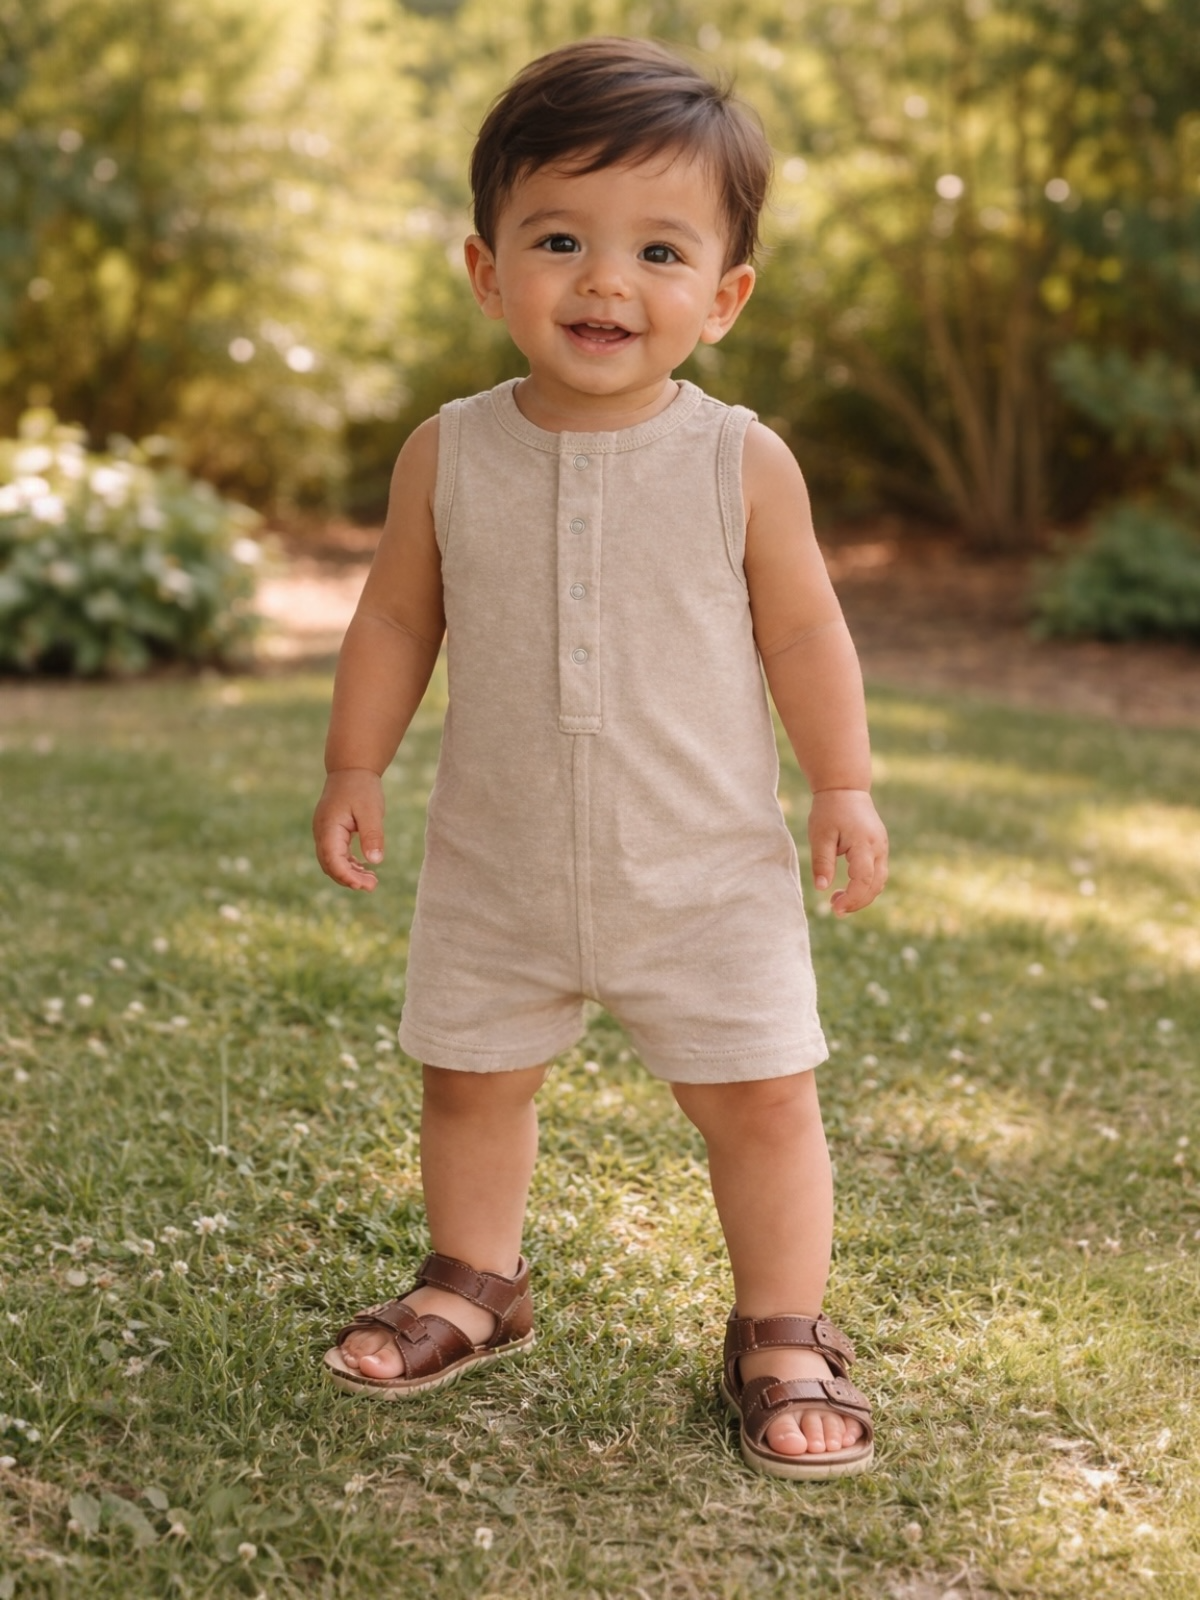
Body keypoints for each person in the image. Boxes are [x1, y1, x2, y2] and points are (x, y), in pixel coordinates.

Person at [312, 36, 888, 1481]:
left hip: (704, 870)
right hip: (500, 856)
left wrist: (846, 783)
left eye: (657, 249)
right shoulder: (447, 452)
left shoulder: (737, 460)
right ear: (485, 268)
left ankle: (781, 1324)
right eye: (558, 239)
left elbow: (807, 635)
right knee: (470, 1076)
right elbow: (394, 614)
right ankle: (474, 1281)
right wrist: (355, 764)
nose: (603, 281)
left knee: (761, 1095)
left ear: (725, 293)